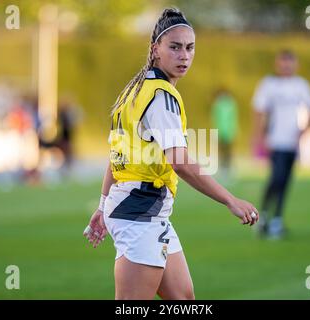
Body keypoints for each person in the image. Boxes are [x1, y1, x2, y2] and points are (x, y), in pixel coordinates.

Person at [82, 8, 259, 300]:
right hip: (139, 213)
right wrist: (231, 200)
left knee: (183, 299)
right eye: (174, 47)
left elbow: (117, 155)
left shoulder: (135, 89)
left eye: (190, 48)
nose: (184, 55)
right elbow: (180, 163)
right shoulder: (160, 96)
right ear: (155, 50)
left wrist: (102, 206)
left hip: (144, 211)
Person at [252, 50, 310, 239]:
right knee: (276, 178)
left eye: (290, 63)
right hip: (275, 140)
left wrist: (305, 131)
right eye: (283, 63)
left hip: (292, 143)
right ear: (277, 64)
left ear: (295, 65)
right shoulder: (269, 84)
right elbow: (259, 111)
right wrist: (260, 137)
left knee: (286, 180)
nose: (286, 67)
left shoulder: (301, 85)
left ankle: (276, 219)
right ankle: (263, 216)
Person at [211, 88, 238, 173]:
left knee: (227, 151)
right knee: (223, 150)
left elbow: (233, 118)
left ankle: (228, 167)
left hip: (227, 131)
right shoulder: (227, 103)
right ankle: (223, 167)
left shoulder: (226, 103)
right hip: (224, 130)